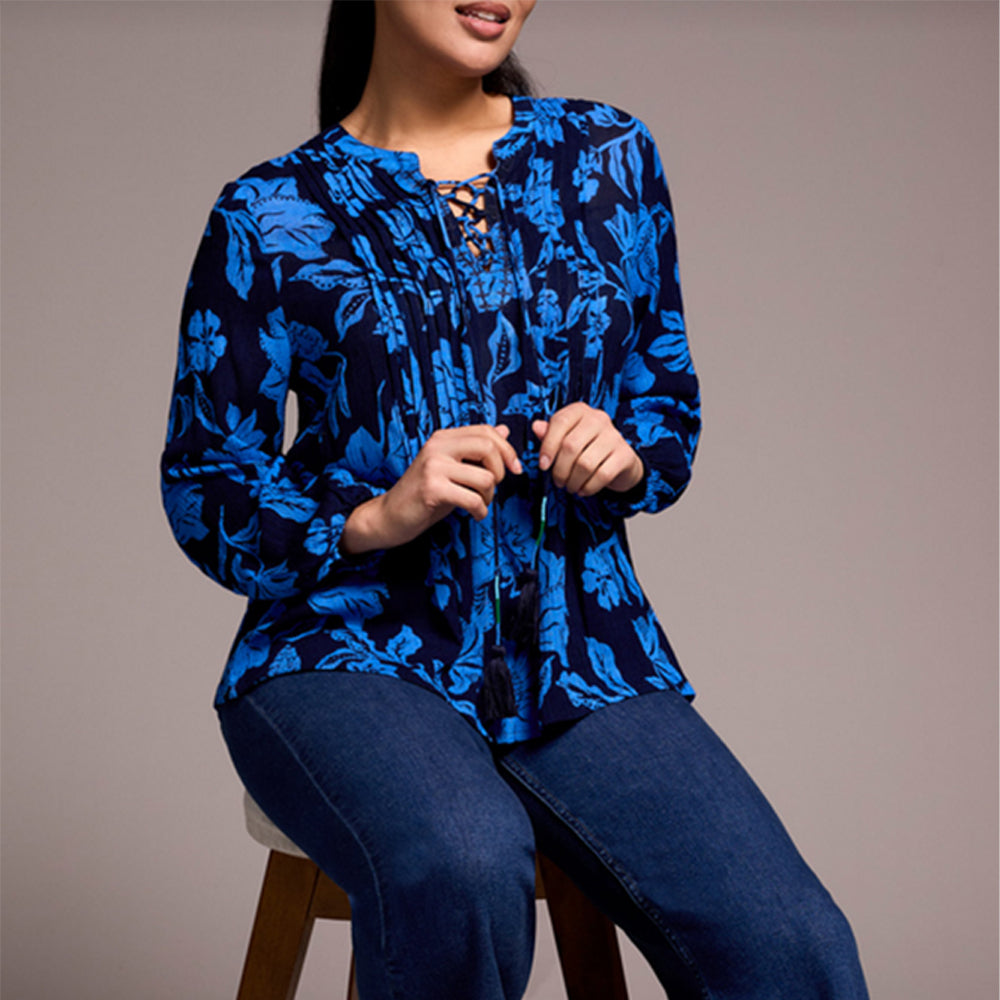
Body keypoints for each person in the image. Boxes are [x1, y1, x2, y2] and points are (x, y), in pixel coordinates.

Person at [161, 2, 870, 997]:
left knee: (789, 945)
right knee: (459, 865)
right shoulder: (271, 215)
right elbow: (206, 480)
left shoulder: (608, 159)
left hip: (581, 654)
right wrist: (369, 517)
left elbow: (662, 400)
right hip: (343, 653)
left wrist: (624, 453)